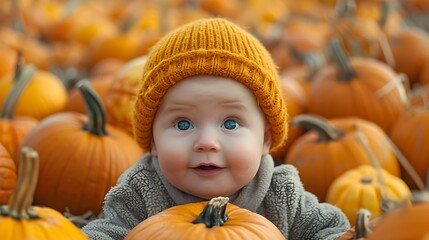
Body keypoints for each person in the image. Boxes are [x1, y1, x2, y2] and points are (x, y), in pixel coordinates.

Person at [82, 17, 351, 240]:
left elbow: (331, 230)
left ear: (265, 139)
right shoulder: (141, 191)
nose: (207, 142)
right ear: (153, 141)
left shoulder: (280, 193)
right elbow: (105, 233)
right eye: (183, 124)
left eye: (230, 123)